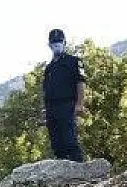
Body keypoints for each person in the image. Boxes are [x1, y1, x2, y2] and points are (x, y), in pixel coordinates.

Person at [42, 29, 86, 162]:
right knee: (56, 144)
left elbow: (80, 82)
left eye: (59, 41)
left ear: (64, 42)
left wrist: (79, 104)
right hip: (51, 108)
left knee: (70, 141)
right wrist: (43, 110)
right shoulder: (49, 67)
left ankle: (79, 171)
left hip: (67, 105)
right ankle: (63, 176)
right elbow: (45, 90)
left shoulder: (74, 61)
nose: (57, 45)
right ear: (49, 45)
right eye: (54, 42)